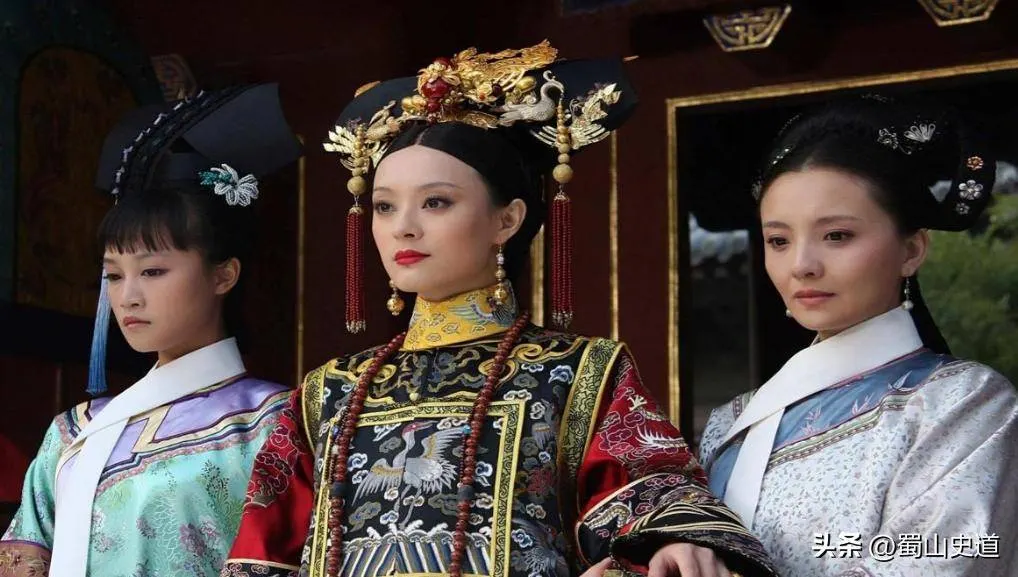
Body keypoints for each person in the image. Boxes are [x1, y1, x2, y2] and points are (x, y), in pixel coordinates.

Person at [221, 42, 776, 577]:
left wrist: (674, 541)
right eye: (385, 206)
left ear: (506, 220)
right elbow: (261, 559)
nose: (402, 227)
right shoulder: (327, 394)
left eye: (436, 202)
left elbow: (655, 502)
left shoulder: (576, 374)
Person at [699, 97, 1018, 576]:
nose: (802, 265)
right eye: (779, 241)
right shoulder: (730, 426)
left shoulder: (963, 404)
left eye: (837, 236)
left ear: (911, 250)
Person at [0, 84, 302, 577]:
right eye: (114, 275)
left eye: (153, 271)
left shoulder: (275, 423)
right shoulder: (73, 433)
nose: (128, 297)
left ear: (224, 275)